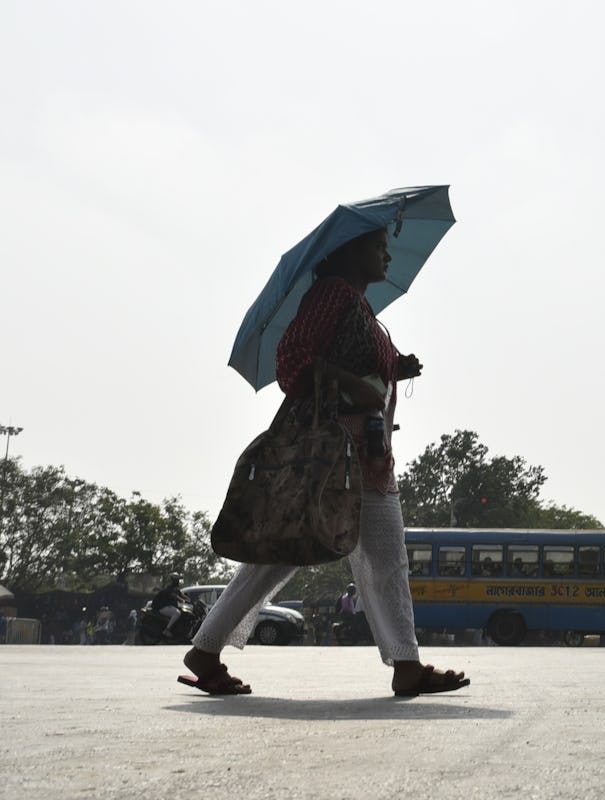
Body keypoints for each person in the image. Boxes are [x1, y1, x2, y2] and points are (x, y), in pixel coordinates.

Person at [179, 228, 469, 697]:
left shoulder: (354, 303)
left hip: (357, 451)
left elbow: (356, 361)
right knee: (384, 559)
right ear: (350, 252)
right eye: (378, 247)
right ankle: (405, 664)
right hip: (342, 452)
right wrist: (356, 387)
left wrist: (397, 366)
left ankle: (207, 648)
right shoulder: (332, 294)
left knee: (282, 553)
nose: (388, 255)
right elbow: (292, 361)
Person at [154, 573, 191, 638]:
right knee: (177, 613)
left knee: (182, 612)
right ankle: (167, 630)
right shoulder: (170, 588)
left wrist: (189, 599)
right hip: (163, 607)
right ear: (174, 581)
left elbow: (181, 595)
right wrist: (181, 599)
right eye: (177, 580)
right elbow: (174, 596)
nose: (178, 582)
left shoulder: (176, 589)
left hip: (169, 607)